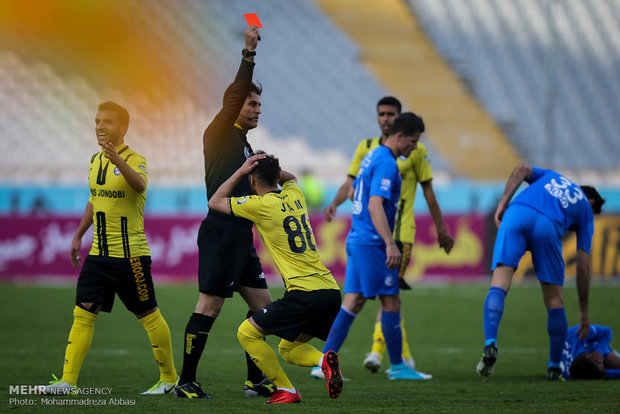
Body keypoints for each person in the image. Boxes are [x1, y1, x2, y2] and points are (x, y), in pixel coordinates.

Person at [41, 101, 177, 395]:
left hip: (131, 257)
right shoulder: (94, 161)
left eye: (107, 122)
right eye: (97, 121)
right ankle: (68, 382)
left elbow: (140, 186)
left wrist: (118, 160)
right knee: (83, 312)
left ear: (123, 128)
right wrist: (78, 235)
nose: (100, 127)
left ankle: (169, 380)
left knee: (149, 315)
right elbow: (95, 200)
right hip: (99, 255)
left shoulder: (135, 159)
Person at [174, 26, 275, 399]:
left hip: (240, 235)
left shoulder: (243, 145)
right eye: (252, 104)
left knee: (264, 310)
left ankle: (255, 379)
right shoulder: (218, 132)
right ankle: (185, 381)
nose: (257, 110)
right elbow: (233, 96)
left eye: (260, 105)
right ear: (235, 107)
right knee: (210, 307)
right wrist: (248, 54)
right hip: (221, 231)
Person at [320, 96, 454, 375]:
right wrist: (390, 243)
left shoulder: (372, 155)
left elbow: (358, 190)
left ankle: (325, 362)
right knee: (391, 300)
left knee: (353, 301)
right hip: (372, 241)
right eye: (413, 142)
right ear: (401, 136)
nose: (415, 147)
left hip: (358, 238)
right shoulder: (387, 164)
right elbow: (374, 203)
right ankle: (398, 366)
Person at [208, 152, 343, 404]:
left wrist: (241, 170)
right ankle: (324, 360)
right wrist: (274, 168)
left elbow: (215, 201)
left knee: (247, 334)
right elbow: (289, 177)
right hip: (330, 291)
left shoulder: (259, 205)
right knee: (288, 349)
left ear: (252, 179)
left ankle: (287, 390)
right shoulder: (295, 194)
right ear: (278, 176)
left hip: (304, 293)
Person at [476, 164, 606, 380]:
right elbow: (583, 266)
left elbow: (520, 169)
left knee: (498, 285)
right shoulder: (585, 209)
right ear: (591, 202)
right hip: (548, 226)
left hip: (517, 213)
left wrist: (502, 203)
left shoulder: (553, 176)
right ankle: (554, 367)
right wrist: (583, 311)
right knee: (555, 302)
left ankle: (490, 343)